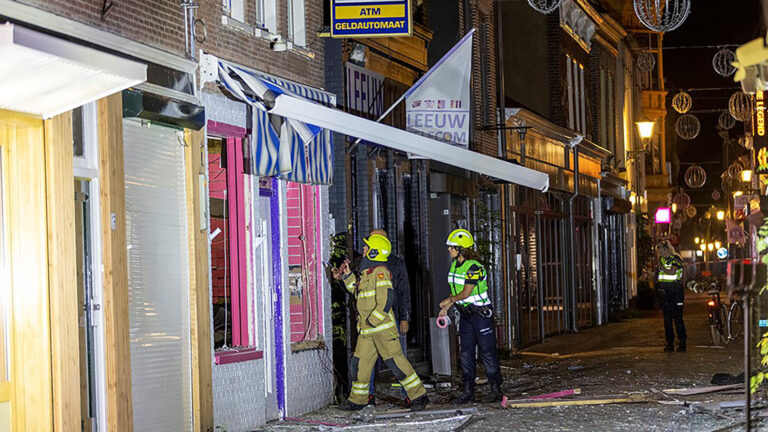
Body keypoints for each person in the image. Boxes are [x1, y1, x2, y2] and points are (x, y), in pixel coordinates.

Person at [332, 234, 428, 411]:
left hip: (381, 329)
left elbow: (385, 301)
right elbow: (357, 291)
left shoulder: (380, 272)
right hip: (368, 330)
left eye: (367, 247)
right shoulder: (367, 272)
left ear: (374, 252)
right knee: (359, 364)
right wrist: (347, 276)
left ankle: (419, 396)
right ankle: (358, 400)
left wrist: (372, 321)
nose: (363, 249)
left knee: (396, 363)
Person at [438, 229, 503, 404]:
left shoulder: (474, 267)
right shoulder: (455, 266)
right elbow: (456, 291)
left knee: (487, 352)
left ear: (461, 249)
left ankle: (496, 389)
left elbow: (466, 292)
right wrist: (447, 308)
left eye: (452, 247)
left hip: (481, 315)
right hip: (466, 315)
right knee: (466, 353)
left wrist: (449, 300)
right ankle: (468, 391)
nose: (449, 249)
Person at [365, 229, 412, 406]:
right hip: (370, 322)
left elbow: (403, 292)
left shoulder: (396, 264)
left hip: (391, 321)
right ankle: (368, 396)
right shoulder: (364, 263)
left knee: (398, 359)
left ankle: (410, 394)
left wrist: (404, 318)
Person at [656, 240, 687, 352]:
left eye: (659, 249)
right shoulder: (661, 260)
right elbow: (661, 275)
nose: (658, 252)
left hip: (676, 292)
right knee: (667, 319)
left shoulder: (676, 259)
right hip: (665, 293)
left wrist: (661, 268)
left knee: (677, 318)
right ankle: (670, 343)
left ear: (666, 249)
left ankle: (682, 343)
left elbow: (672, 272)